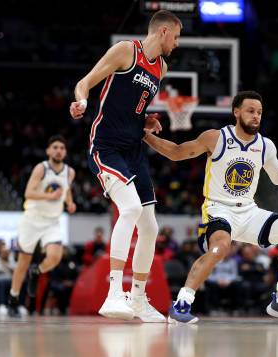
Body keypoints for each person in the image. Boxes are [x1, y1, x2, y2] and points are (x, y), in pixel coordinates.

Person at [143, 90, 278, 323]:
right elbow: (176, 153)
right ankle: (183, 303)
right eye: (250, 111)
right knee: (220, 248)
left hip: (248, 211)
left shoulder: (265, 146)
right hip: (218, 209)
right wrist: (144, 135)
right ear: (236, 112)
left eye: (259, 112)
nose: (256, 116)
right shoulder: (215, 138)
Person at [69, 10, 182, 322]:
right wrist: (81, 101)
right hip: (106, 146)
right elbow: (85, 82)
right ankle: (113, 293)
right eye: (176, 36)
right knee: (130, 210)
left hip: (133, 149)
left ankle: (138, 299)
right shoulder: (125, 51)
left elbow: (134, 106)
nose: (177, 42)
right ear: (163, 31)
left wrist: (146, 118)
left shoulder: (161, 67)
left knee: (150, 226)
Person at [7, 136, 76, 317]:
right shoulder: (41, 168)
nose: (59, 150)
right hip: (32, 219)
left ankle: (36, 272)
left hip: (52, 220)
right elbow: (28, 193)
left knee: (54, 257)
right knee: (23, 262)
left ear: (65, 152)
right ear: (48, 151)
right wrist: (50, 197)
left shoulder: (70, 172)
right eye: (55, 147)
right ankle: (13, 300)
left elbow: (66, 190)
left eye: (62, 147)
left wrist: (70, 202)